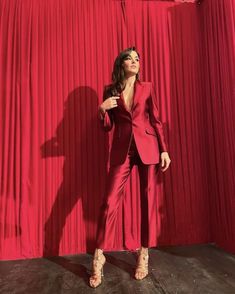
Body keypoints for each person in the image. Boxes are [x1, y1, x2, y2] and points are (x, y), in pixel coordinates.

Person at [89, 47, 171, 288]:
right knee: (109, 202)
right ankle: (98, 256)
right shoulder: (110, 90)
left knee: (147, 202)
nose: (135, 62)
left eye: (137, 59)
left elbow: (155, 119)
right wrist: (102, 109)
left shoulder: (147, 88)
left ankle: (143, 254)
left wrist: (164, 149)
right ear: (121, 64)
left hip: (148, 147)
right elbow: (107, 127)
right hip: (122, 149)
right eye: (129, 58)